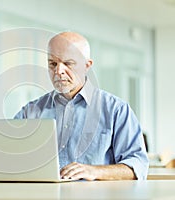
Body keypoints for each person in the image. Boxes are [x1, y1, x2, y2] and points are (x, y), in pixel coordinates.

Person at [14, 32, 149, 180]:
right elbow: (7, 156)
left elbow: (138, 165)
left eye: (68, 63)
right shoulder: (31, 112)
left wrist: (95, 171)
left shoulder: (116, 110)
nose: (58, 71)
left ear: (87, 65)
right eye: (52, 64)